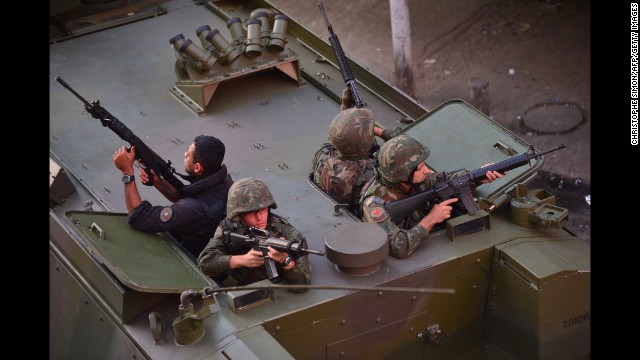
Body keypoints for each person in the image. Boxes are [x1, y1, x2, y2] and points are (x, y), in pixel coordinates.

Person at [359, 134, 504, 259]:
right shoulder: (374, 205)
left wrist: (479, 175)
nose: (427, 170)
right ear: (403, 175)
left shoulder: (411, 180)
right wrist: (432, 218)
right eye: (421, 168)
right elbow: (399, 247)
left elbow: (446, 180)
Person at [113, 135, 232, 260]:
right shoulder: (225, 181)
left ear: (197, 167)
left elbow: (138, 217)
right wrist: (158, 182)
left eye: (188, 155)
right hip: (211, 239)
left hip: (193, 258)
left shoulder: (191, 208)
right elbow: (188, 195)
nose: (184, 153)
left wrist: (127, 172)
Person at [197, 178, 311, 292]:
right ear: (239, 215)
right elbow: (205, 263)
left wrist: (285, 260)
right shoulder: (230, 226)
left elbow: (301, 285)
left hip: (273, 291)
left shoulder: (286, 232)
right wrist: (241, 260)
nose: (259, 217)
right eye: (251, 212)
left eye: (263, 210)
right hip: (238, 288)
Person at [311, 88, 400, 212]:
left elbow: (342, 137)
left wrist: (345, 106)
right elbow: (403, 146)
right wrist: (382, 132)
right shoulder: (372, 173)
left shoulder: (322, 158)